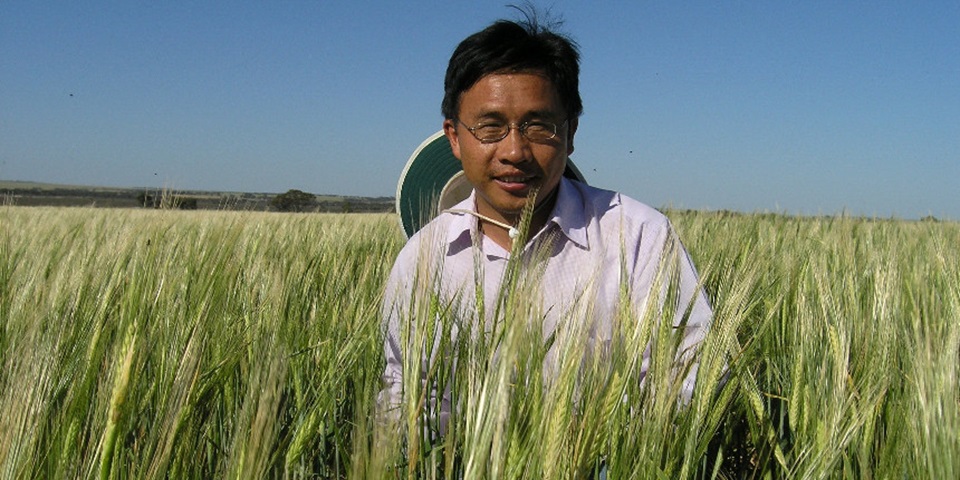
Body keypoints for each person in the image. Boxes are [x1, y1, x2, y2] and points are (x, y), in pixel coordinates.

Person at [379, 14, 713, 437]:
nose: (515, 150)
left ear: (570, 132)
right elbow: (403, 395)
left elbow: (689, 379)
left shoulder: (640, 237)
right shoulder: (422, 260)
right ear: (454, 136)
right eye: (490, 127)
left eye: (539, 126)